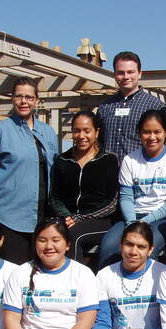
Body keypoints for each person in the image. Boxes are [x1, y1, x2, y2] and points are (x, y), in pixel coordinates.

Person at [0, 77, 58, 264]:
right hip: (10, 216)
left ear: (36, 100)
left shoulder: (48, 132)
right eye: (19, 96)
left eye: (29, 97)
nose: (24, 101)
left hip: (43, 216)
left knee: (41, 273)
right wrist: (3, 193)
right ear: (12, 99)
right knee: (14, 273)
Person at [97, 110, 166, 268]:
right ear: (139, 134)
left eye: (157, 132)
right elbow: (126, 197)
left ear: (165, 132)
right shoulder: (130, 160)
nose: (152, 137)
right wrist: (132, 222)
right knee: (109, 246)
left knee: (147, 247)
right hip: (132, 216)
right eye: (146, 132)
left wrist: (144, 222)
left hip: (162, 219)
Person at [50, 111, 119, 264]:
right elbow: (55, 196)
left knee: (74, 235)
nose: (81, 136)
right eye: (76, 130)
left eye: (87, 131)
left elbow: (113, 202)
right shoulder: (62, 160)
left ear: (97, 132)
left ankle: (75, 283)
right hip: (68, 219)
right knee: (46, 233)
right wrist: (66, 215)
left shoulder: (109, 160)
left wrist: (81, 218)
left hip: (100, 220)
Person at [96, 51, 166, 163]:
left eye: (130, 72)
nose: (126, 77)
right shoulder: (104, 107)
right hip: (109, 176)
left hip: (141, 174)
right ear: (115, 75)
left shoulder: (156, 106)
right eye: (121, 73)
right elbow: (97, 143)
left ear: (140, 73)